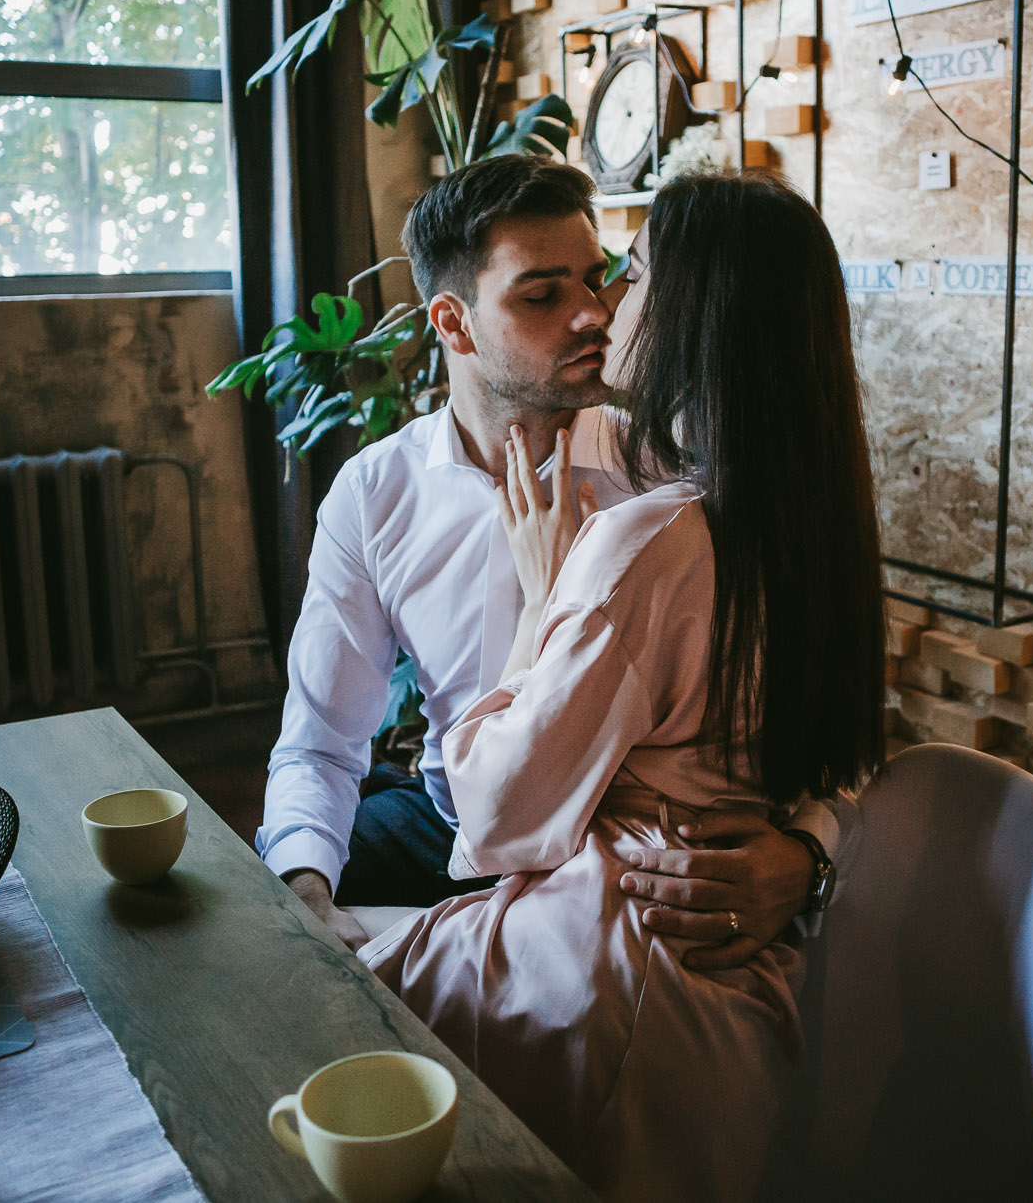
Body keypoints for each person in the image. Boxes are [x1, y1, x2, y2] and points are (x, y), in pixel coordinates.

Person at [359, 171, 887, 1201]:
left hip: (615, 965)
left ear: (698, 315)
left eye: (628, 274)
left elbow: (504, 817)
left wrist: (542, 606)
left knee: (310, 1019)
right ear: (451, 323)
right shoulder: (812, 526)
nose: (602, 309)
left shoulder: (646, 534)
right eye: (558, 290)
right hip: (749, 989)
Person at [255, 155, 838, 962]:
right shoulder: (375, 493)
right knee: (258, 901)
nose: (592, 314)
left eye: (598, 279)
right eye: (541, 295)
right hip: (451, 820)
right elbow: (321, 742)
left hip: (616, 857)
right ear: (453, 323)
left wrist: (808, 851)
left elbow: (810, 703)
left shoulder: (673, 478)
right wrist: (304, 892)